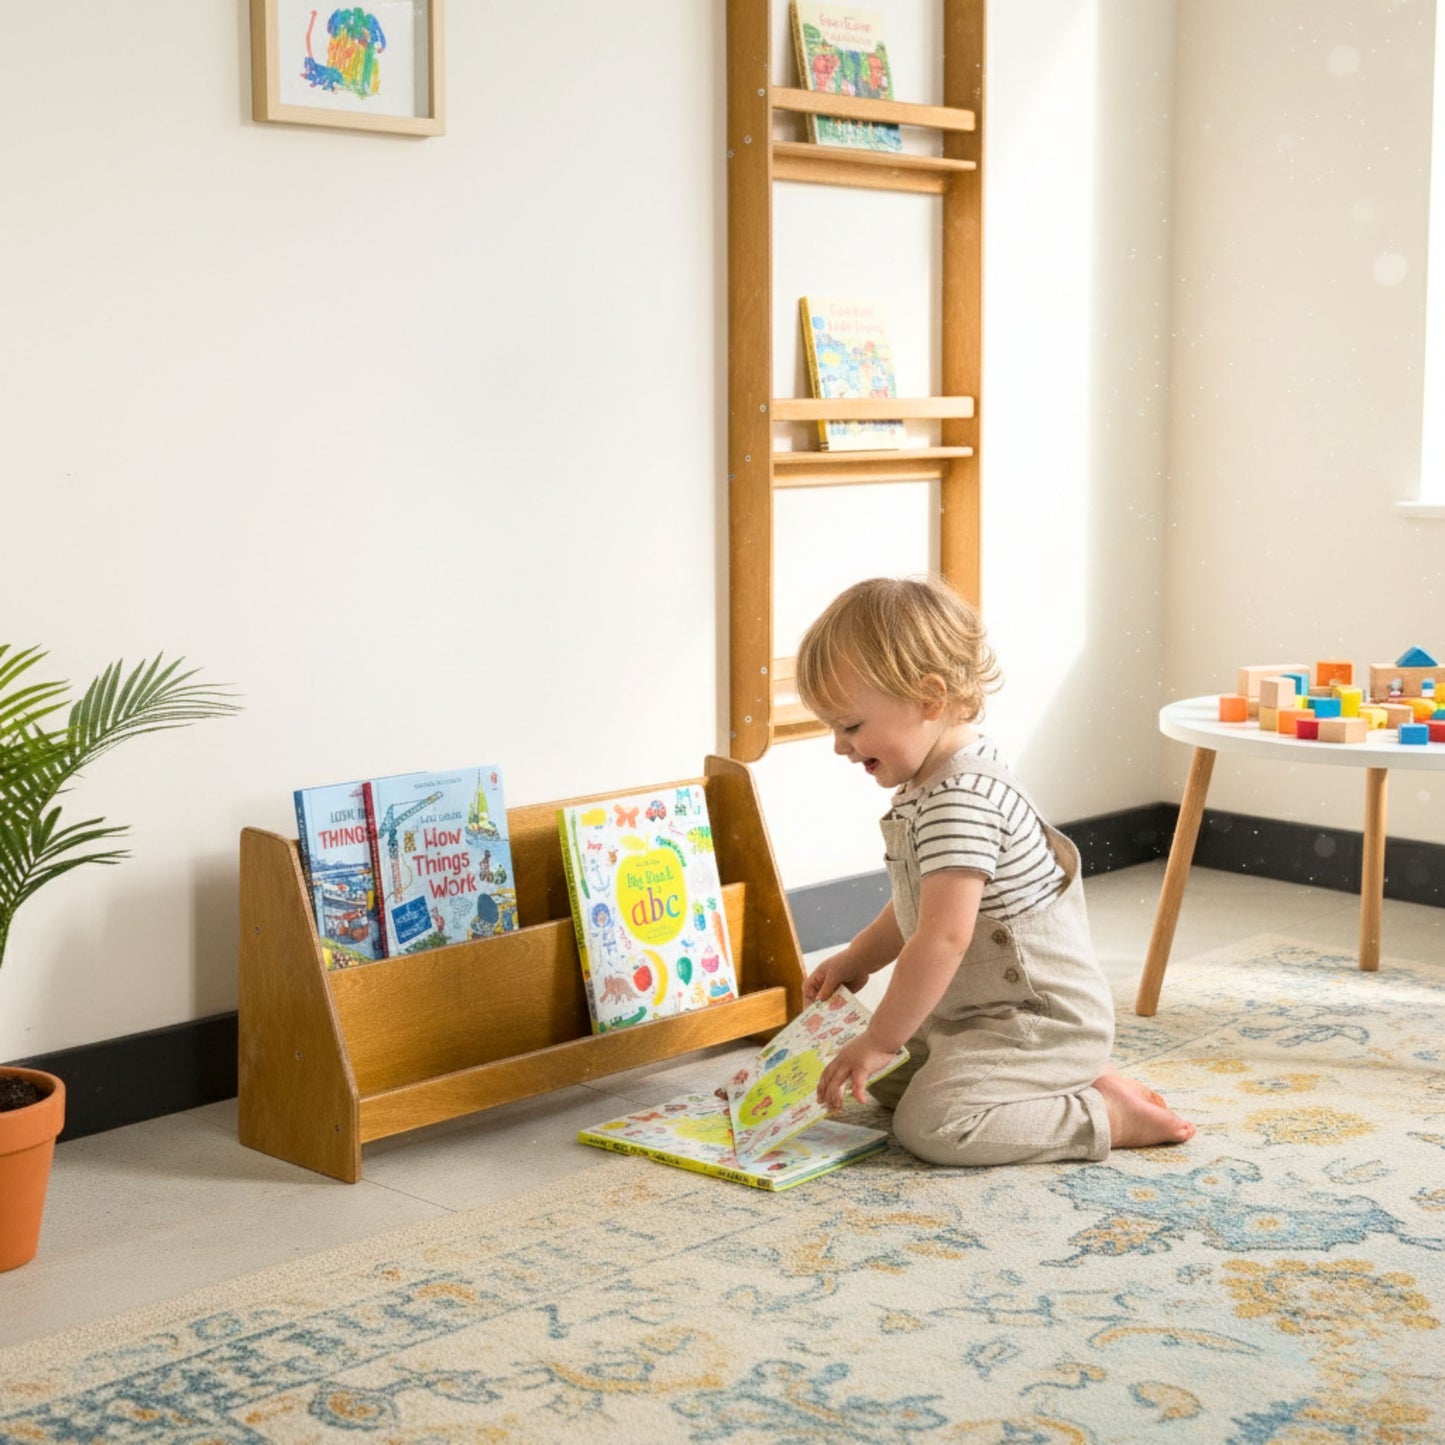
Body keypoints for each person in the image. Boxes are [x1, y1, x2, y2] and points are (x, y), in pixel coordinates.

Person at [796, 576, 1195, 1166]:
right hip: (972, 1015)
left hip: (1036, 1020)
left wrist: (879, 1038)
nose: (839, 746)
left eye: (851, 727)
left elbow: (943, 937)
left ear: (929, 699)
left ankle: (1103, 1113)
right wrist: (859, 958)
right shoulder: (931, 780)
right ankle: (1068, 1079)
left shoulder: (961, 799)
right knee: (880, 1079)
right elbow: (918, 905)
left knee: (934, 1125)